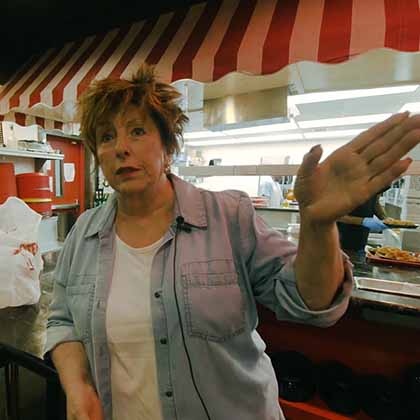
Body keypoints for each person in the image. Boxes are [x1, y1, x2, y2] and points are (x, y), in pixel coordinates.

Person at [44, 63, 420, 420]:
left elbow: (311, 304)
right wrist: (77, 388)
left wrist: (318, 227)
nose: (120, 147)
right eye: (106, 136)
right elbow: (62, 321)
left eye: (137, 131)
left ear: (168, 146)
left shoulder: (229, 218)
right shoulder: (85, 233)